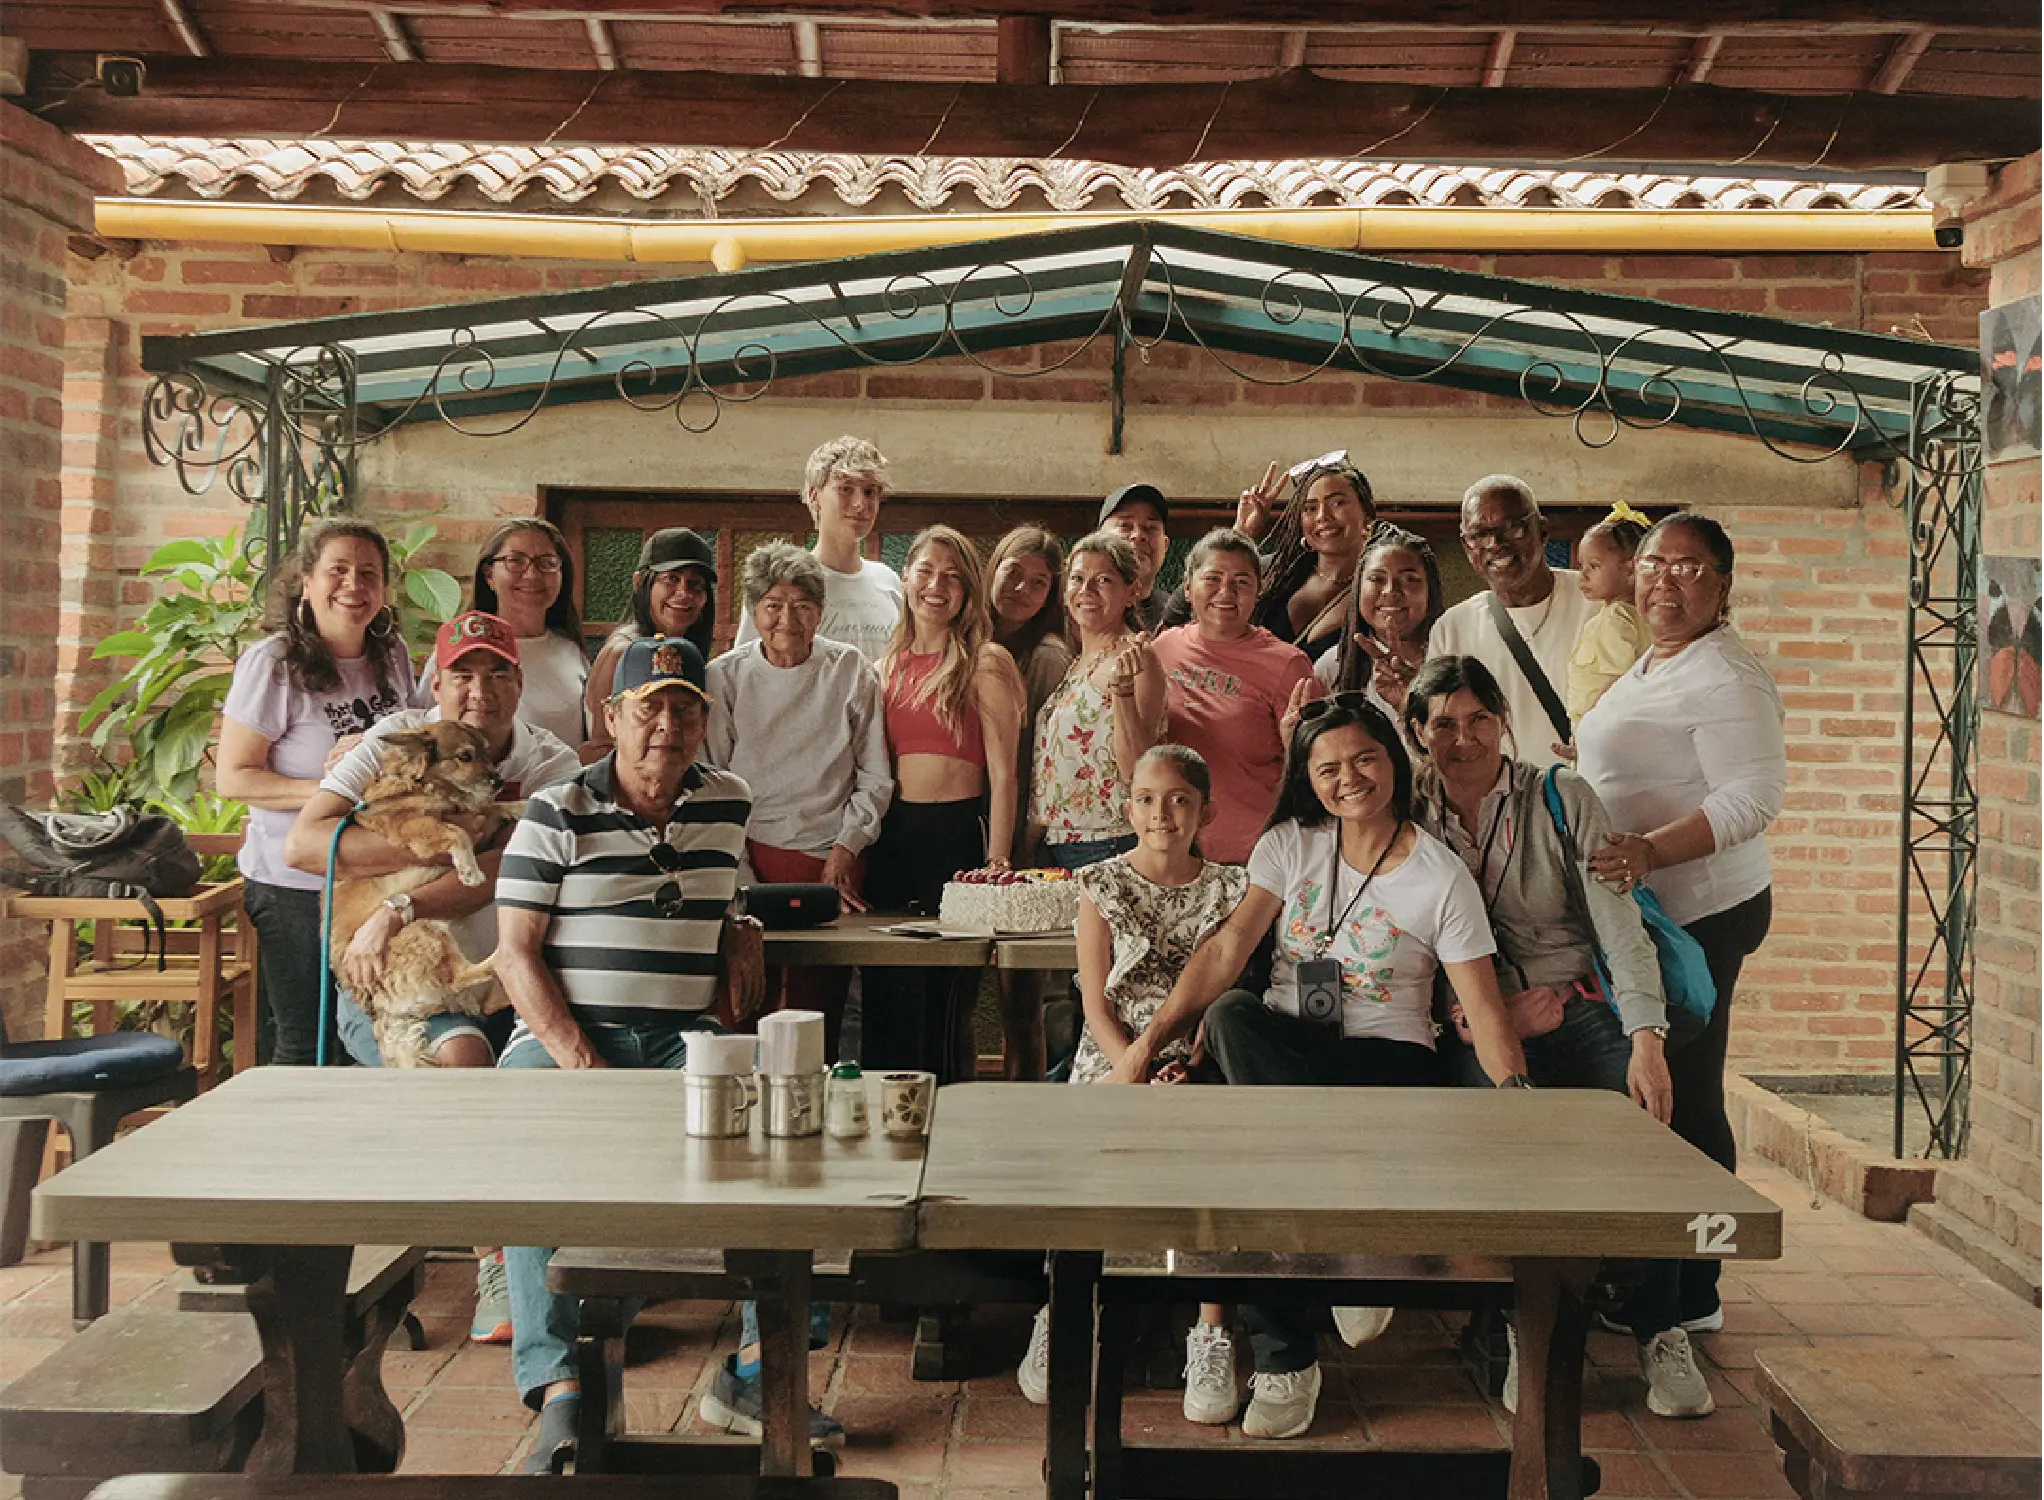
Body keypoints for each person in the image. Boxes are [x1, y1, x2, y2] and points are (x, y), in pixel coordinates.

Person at [1110, 696, 1528, 1441]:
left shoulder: (1439, 876)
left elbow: (1485, 1011)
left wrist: (1522, 1102)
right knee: (1232, 1014)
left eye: (1364, 759)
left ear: (1394, 760)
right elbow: (1227, 950)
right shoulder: (1290, 844)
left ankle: (1286, 1352)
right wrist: (1146, 1045)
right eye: (1327, 767)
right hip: (1285, 1050)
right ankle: (1329, 1275)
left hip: (1385, 1060)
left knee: (1254, 1148)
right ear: (1307, 778)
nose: (1348, 778)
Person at [492, 636, 838, 1469]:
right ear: (612, 717)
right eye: (649, 709)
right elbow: (513, 955)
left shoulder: (728, 801)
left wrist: (741, 922)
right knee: (531, 1140)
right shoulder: (558, 809)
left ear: (704, 723)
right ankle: (563, 1390)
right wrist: (584, 1065)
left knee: (785, 1134)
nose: (667, 727)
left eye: (685, 709)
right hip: (568, 1040)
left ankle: (755, 1368)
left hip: (685, 1041)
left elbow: (715, 888)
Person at [1401, 655, 1707, 1420]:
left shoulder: (1560, 797)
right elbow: (1395, 934)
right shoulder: (1406, 812)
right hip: (1478, 1024)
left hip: (1579, 1006)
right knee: (1503, 1152)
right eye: (1443, 724)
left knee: (1646, 1140)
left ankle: (1661, 1330)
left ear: (1503, 720)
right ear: (1416, 733)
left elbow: (1618, 921)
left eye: (1479, 719)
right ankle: (1524, 1334)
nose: (1464, 739)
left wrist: (1646, 1038)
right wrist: (1466, 1011)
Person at [286, 610, 581, 1345]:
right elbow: (305, 843)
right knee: (463, 1062)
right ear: (436, 684)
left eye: (497, 673)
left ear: (519, 683)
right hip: (399, 979)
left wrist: (408, 898)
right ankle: (494, 1260)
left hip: (501, 975)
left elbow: (511, 872)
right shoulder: (393, 743)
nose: (480, 691)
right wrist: (429, 849)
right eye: (463, 675)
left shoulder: (550, 761)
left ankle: (566, 1258)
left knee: (559, 1072)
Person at [1576, 512, 1785, 1337]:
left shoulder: (1730, 675)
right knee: (1674, 1091)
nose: (1666, 580)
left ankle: (1695, 1292)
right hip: (1657, 909)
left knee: (1687, 1095)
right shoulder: (1660, 656)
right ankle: (1663, 1277)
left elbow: (1753, 798)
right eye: (1654, 563)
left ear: (1723, 586)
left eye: (1690, 567)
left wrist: (1649, 850)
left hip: (1703, 912)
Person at [1014, 745, 1248, 1417]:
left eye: (1178, 800)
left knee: (1217, 1147)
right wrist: (1130, 1067)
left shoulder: (1232, 889)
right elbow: (1094, 1004)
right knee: (1087, 1141)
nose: (1161, 813)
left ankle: (1211, 1330)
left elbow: (1224, 988)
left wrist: (1189, 1063)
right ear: (1127, 809)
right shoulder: (1101, 883)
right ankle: (1063, 1311)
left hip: (1197, 1051)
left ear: (1206, 812)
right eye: (1146, 799)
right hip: (1114, 1049)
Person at [218, 517, 423, 1066]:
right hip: (293, 886)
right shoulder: (273, 662)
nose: (354, 585)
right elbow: (234, 777)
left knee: (369, 1035)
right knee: (305, 1044)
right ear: (306, 583)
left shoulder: (392, 655)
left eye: (369, 573)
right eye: (338, 570)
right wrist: (336, 788)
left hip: (370, 879)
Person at [705, 542, 892, 1055]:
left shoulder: (850, 669)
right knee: (744, 999)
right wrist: (738, 869)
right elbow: (713, 782)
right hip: (745, 854)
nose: (787, 619)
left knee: (816, 1013)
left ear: (821, 610)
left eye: (802, 605)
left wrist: (846, 849)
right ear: (753, 610)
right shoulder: (725, 676)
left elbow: (875, 776)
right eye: (773, 605)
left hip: (830, 859)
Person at [863, 526, 1026, 1080]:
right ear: (905, 577)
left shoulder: (985, 661)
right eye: (927, 572)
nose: (937, 586)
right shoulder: (886, 665)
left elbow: (1004, 775)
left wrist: (997, 861)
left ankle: (949, 1115)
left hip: (956, 837)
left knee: (946, 999)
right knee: (887, 994)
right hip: (892, 840)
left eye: (953, 577)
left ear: (968, 593)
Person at [1150, 529, 1318, 864]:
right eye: (1212, 578)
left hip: (1253, 855)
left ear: (1259, 590)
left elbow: (1314, 766)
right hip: (1170, 850)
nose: (1226, 592)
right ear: (1187, 587)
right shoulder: (1162, 649)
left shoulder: (1287, 664)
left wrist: (1297, 745)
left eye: (1241, 582)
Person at [1428, 475, 1595, 766]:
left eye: (1512, 528)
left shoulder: (1596, 602)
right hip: (1502, 792)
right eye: (1479, 535)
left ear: (1542, 531)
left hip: (1590, 786)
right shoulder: (1451, 629)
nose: (1495, 544)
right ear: (1467, 547)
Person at [986, 526, 1074, 1080]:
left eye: (1039, 582)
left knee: (1022, 1003)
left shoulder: (1047, 656)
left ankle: (1025, 1105)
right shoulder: (964, 641)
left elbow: (1043, 761)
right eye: (1013, 572)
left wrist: (1021, 846)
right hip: (964, 823)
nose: (1021, 589)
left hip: (1022, 842)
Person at [1029, 533, 1167, 871]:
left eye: (1103, 580)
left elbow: (1138, 770)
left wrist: (1122, 693)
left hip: (1111, 841)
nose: (1086, 590)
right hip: (1062, 844)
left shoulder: (1137, 657)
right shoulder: (1078, 660)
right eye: (1077, 578)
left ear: (1132, 591)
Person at [733, 435, 902, 663]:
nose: (860, 504)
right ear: (814, 496)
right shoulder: (777, 580)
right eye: (846, 489)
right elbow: (747, 669)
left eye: (870, 492)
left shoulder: (888, 582)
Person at [427, 518, 586, 749]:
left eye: (547, 563)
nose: (532, 575)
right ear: (489, 574)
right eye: (516, 561)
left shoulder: (571, 651)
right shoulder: (456, 651)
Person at [1224, 452, 1378, 660]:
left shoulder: (1383, 586)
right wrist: (1241, 535)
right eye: (1310, 508)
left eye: (1337, 503)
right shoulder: (1271, 570)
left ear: (1367, 512)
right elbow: (1186, 605)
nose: (1323, 516)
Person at [583, 528, 717, 759]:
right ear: (639, 582)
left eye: (695, 584)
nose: (683, 593)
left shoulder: (683, 649)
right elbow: (600, 750)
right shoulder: (623, 652)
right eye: (671, 579)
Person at [1315, 523, 1445, 734]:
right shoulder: (1332, 667)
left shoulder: (1454, 656)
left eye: (1409, 579)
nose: (1391, 590)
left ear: (1431, 589)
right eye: (1377, 579)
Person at [1565, 503, 1654, 719]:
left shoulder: (1617, 620)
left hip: (1601, 725)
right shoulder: (1646, 617)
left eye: (1594, 566)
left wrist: (1589, 725)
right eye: (1581, 566)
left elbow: (1618, 684)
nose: (1583, 575)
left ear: (1632, 570)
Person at [1098, 482, 1174, 632]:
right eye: (1125, 525)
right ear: (1098, 539)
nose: (1138, 535)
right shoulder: (1069, 615)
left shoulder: (1179, 618)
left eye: (1151, 528)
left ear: (1165, 545)